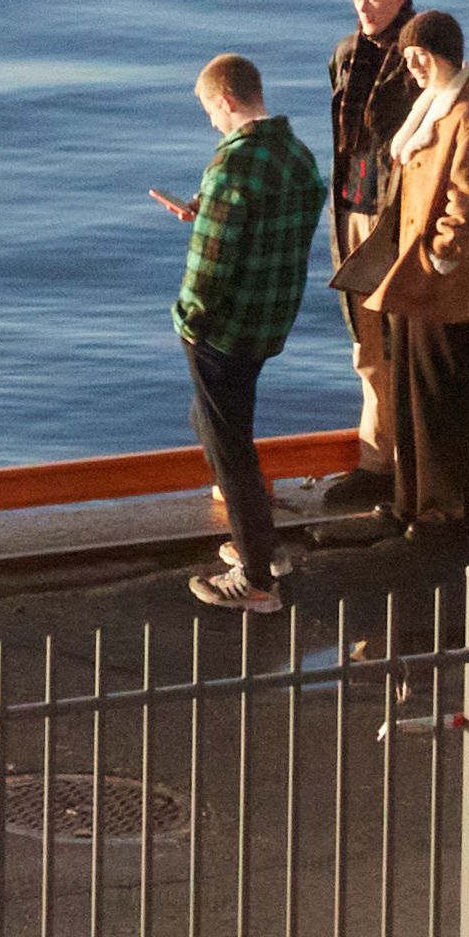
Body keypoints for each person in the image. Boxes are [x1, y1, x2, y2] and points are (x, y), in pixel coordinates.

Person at [150, 53, 326, 612]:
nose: (210, 121)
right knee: (214, 422)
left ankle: (257, 577)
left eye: (208, 109)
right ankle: (261, 544)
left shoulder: (231, 167)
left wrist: (186, 317)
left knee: (230, 448)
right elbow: (272, 219)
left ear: (226, 100)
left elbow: (210, 268)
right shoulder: (297, 156)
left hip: (224, 326)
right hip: (272, 317)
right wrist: (204, 211)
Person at [369, 9, 469, 536]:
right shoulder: (430, 109)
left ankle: (446, 511)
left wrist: (438, 258)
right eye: (407, 58)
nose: (412, 68)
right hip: (413, 276)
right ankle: (412, 500)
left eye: (418, 57)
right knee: (412, 391)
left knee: (443, 398)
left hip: (440, 282)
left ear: (443, 55)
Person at [312, 0, 422, 511]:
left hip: (396, 216)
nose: (364, 10)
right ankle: (377, 463)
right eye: (357, 1)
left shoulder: (420, 56)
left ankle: (409, 467)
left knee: (404, 344)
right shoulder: (345, 53)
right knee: (366, 344)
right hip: (351, 208)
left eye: (374, 0)